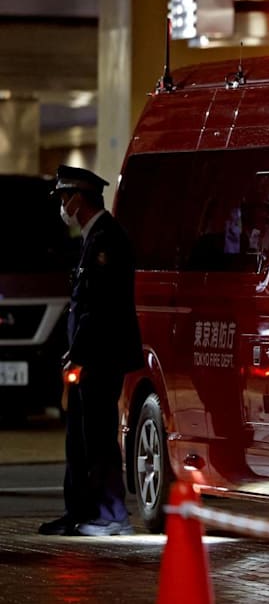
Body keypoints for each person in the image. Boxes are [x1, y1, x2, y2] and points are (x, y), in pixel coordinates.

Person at [38, 166, 143, 537]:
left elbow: (98, 308)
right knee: (80, 439)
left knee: (98, 438)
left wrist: (78, 354)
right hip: (88, 358)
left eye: (64, 198)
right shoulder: (92, 238)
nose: (62, 206)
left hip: (101, 358)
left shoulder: (107, 239)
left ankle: (111, 515)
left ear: (78, 200)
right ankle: (79, 512)